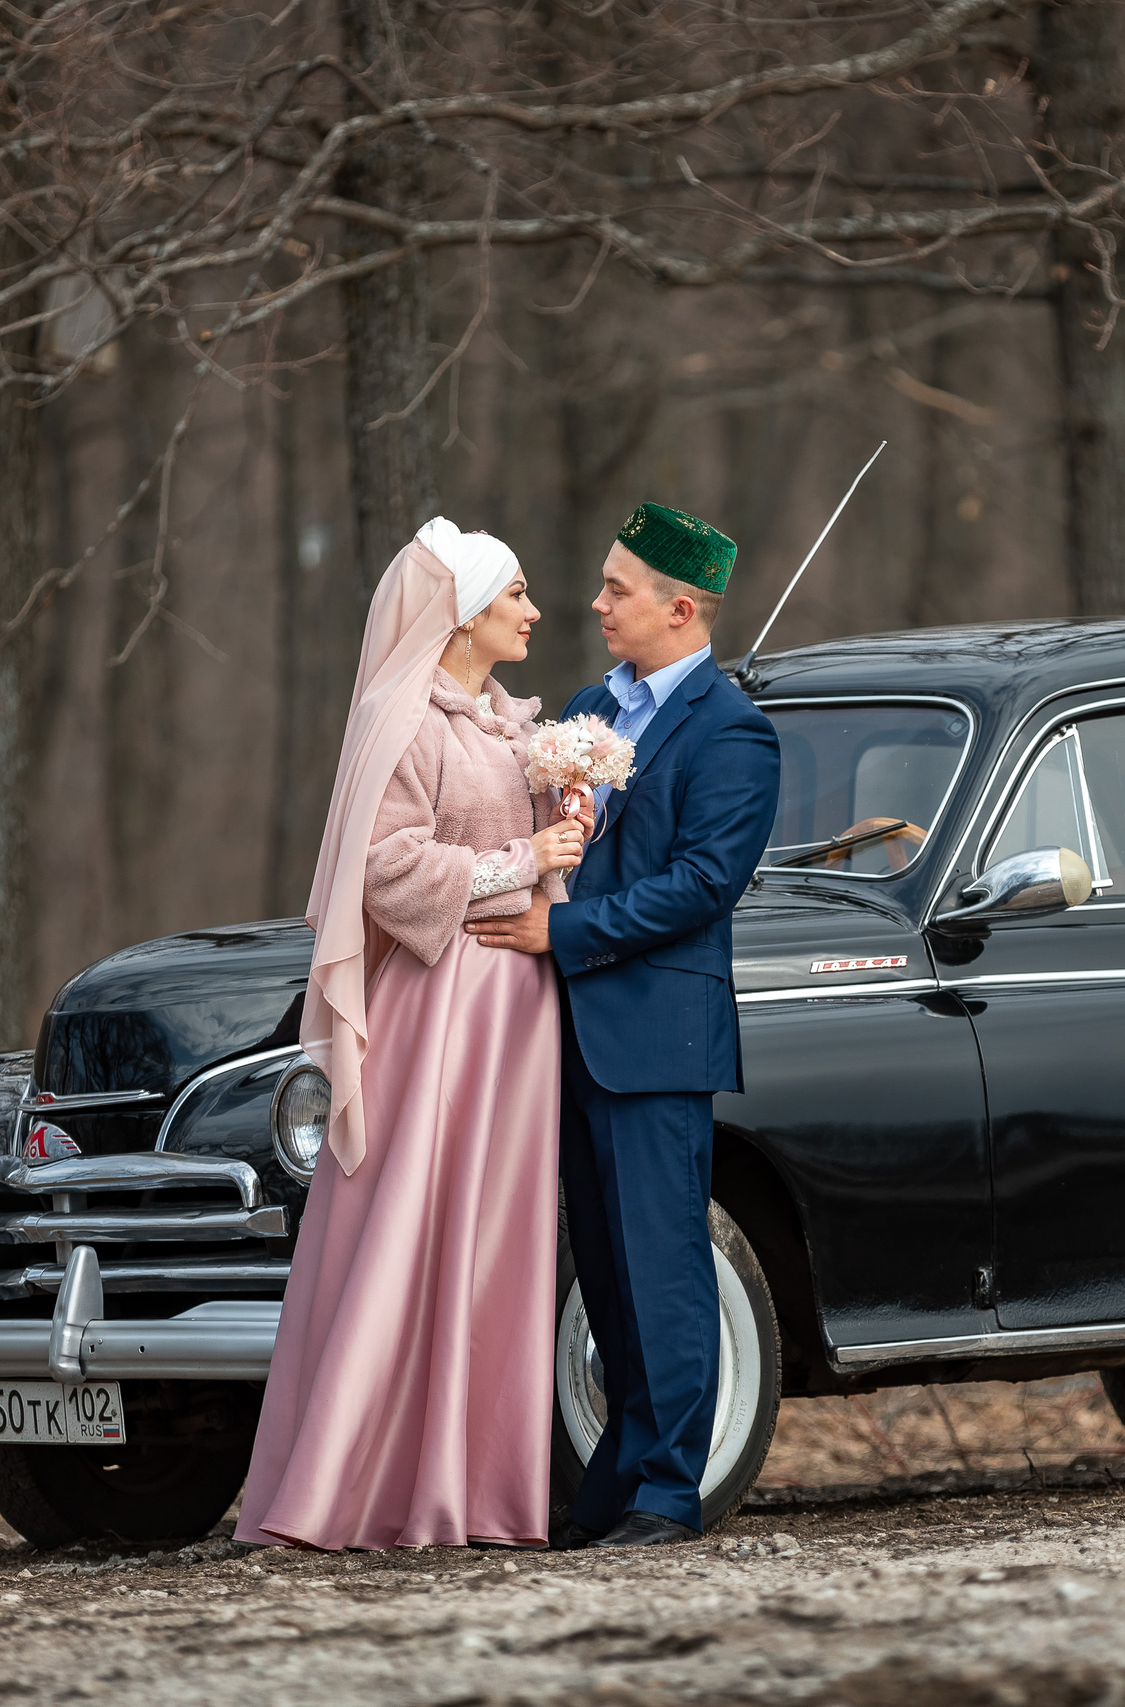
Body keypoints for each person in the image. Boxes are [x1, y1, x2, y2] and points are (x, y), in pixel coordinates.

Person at [237, 518, 590, 1552]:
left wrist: (574, 818)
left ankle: (476, 1485)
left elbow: (533, 849)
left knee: (494, 1243)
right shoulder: (407, 720)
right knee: (414, 1232)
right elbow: (385, 870)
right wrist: (524, 860)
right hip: (443, 1012)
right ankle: (375, 1484)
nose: (534, 611)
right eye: (515, 594)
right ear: (466, 614)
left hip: (515, 1014)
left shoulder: (508, 725)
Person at [466, 502, 781, 1549]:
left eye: (617, 588)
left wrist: (560, 932)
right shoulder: (589, 708)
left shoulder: (733, 732)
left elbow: (701, 885)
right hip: (565, 1034)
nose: (595, 602)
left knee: (663, 1265)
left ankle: (669, 1489)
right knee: (600, 1271)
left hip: (656, 1037)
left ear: (680, 609)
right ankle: (616, 1475)